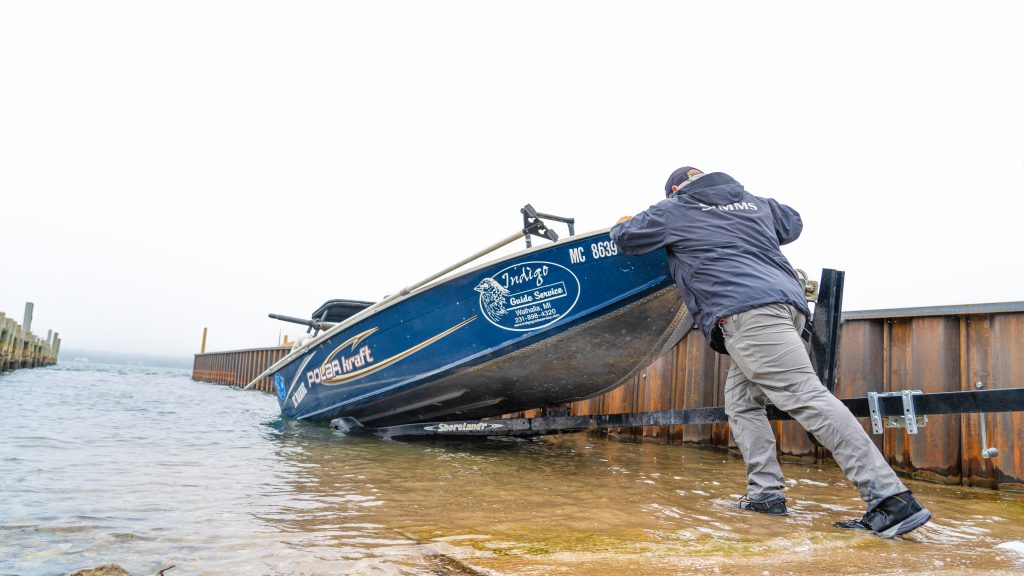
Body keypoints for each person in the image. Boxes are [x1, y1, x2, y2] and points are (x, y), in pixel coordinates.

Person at [609, 166, 931, 538]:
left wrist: (624, 220)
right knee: (742, 402)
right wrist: (747, 212)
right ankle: (765, 495)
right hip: (786, 309)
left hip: (748, 314)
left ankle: (890, 499)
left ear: (677, 189)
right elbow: (791, 222)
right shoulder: (756, 204)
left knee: (806, 396)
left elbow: (628, 238)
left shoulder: (675, 209)